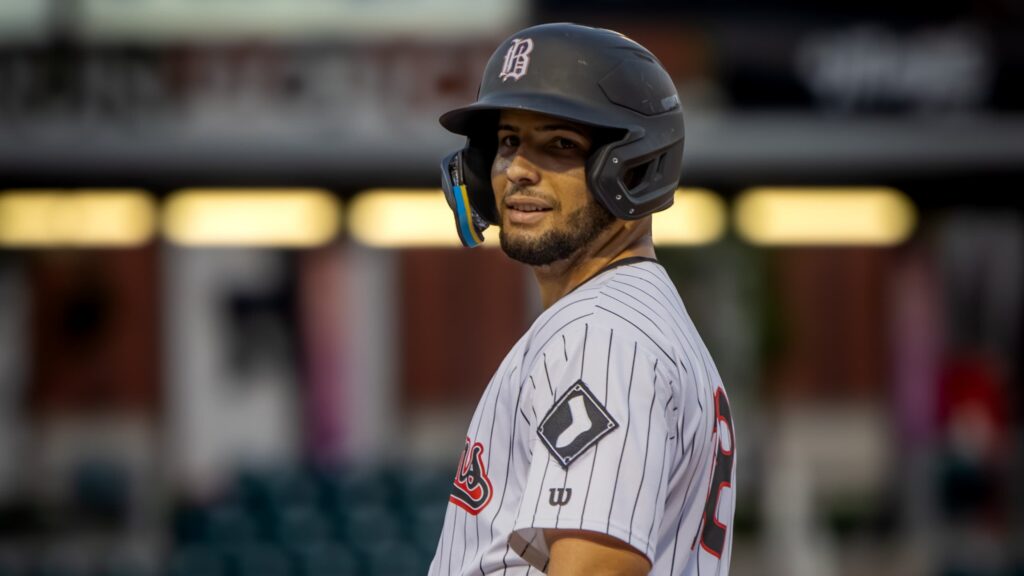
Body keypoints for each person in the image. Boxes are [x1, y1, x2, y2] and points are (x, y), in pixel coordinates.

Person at [430, 22, 735, 576]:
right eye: (507, 142)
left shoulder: (604, 336)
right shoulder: (625, 320)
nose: (518, 170)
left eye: (560, 144)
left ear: (635, 166)